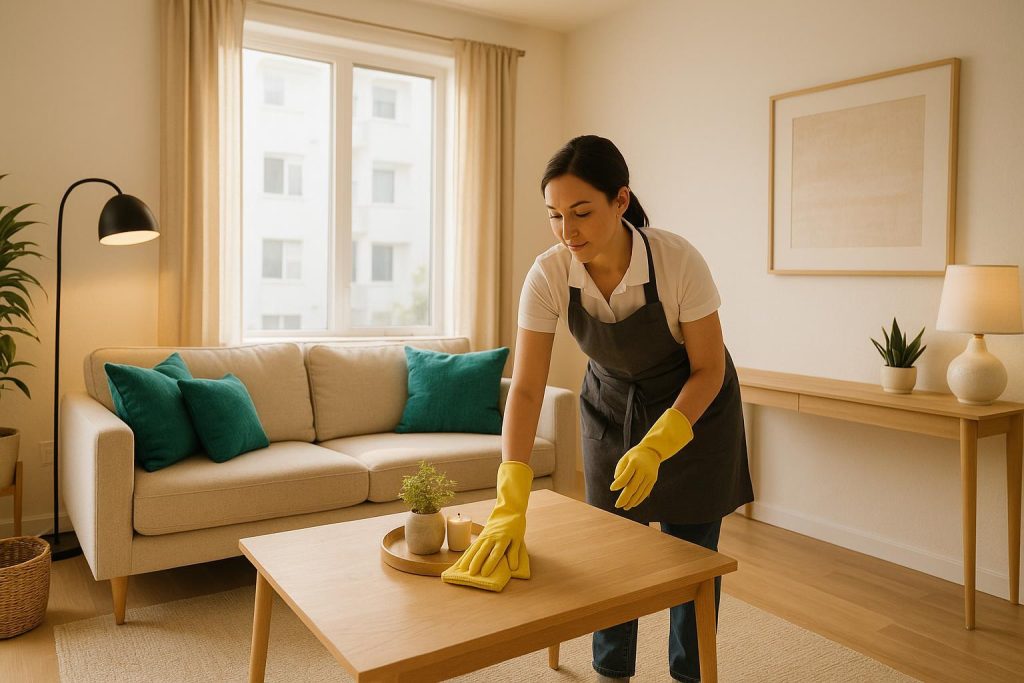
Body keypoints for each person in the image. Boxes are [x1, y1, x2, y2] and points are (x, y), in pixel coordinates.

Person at [453, 134, 754, 683]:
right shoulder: (548, 275)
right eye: (555, 216)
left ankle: (691, 674)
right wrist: (510, 492)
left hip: (695, 415)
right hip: (612, 410)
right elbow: (525, 389)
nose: (568, 231)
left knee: (691, 561)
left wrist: (661, 443)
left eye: (582, 212)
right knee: (610, 557)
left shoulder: (677, 260)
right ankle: (610, 671)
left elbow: (708, 368)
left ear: (621, 201)